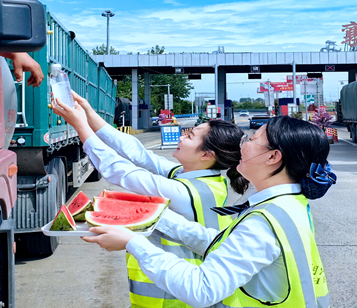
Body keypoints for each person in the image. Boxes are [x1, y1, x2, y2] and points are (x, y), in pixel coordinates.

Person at [82, 116, 335, 308]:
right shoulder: (290, 205)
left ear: (273, 157)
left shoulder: (264, 222)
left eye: (251, 140)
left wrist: (133, 242)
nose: (242, 146)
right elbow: (223, 243)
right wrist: (159, 216)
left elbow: (202, 289)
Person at [53, 92, 247, 308]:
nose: (181, 137)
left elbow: (122, 172)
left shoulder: (184, 193)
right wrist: (89, 114)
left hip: (176, 298)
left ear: (206, 155)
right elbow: (140, 154)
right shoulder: (203, 179)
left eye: (190, 136)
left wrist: (82, 128)